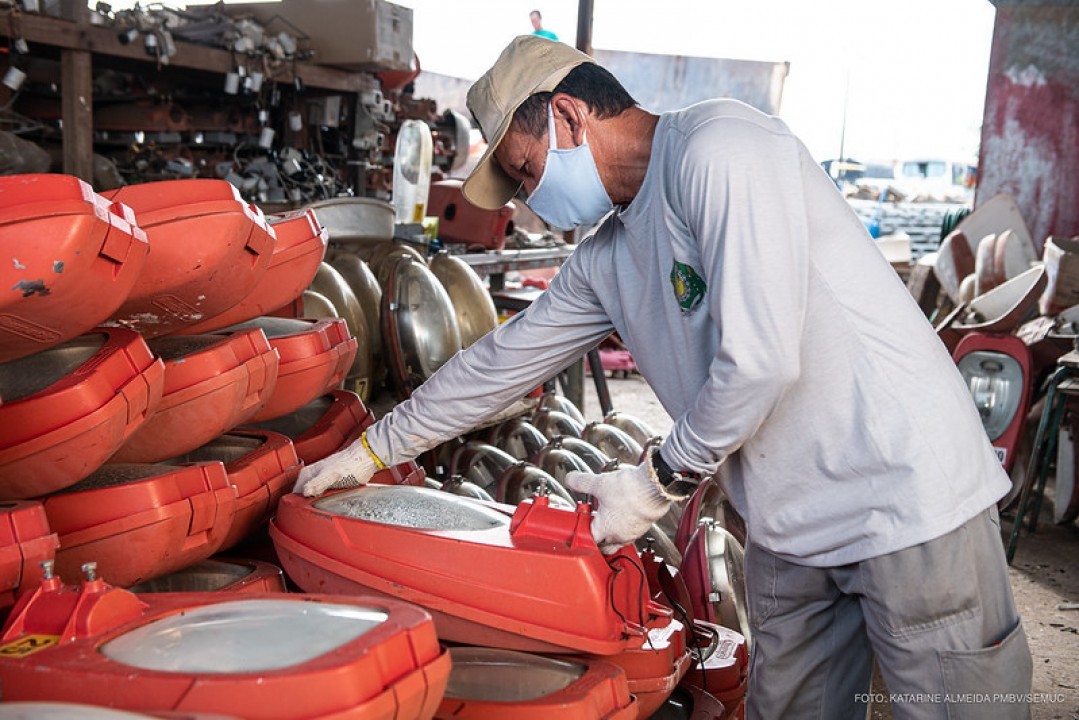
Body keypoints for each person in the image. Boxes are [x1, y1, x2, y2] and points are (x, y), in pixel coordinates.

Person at [295, 36, 1033, 719]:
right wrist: (373, 449)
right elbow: (499, 363)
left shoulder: (722, 149)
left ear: (568, 116)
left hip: (904, 500)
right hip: (788, 528)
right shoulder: (608, 256)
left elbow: (762, 360)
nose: (527, 199)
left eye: (524, 172)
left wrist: (657, 481)